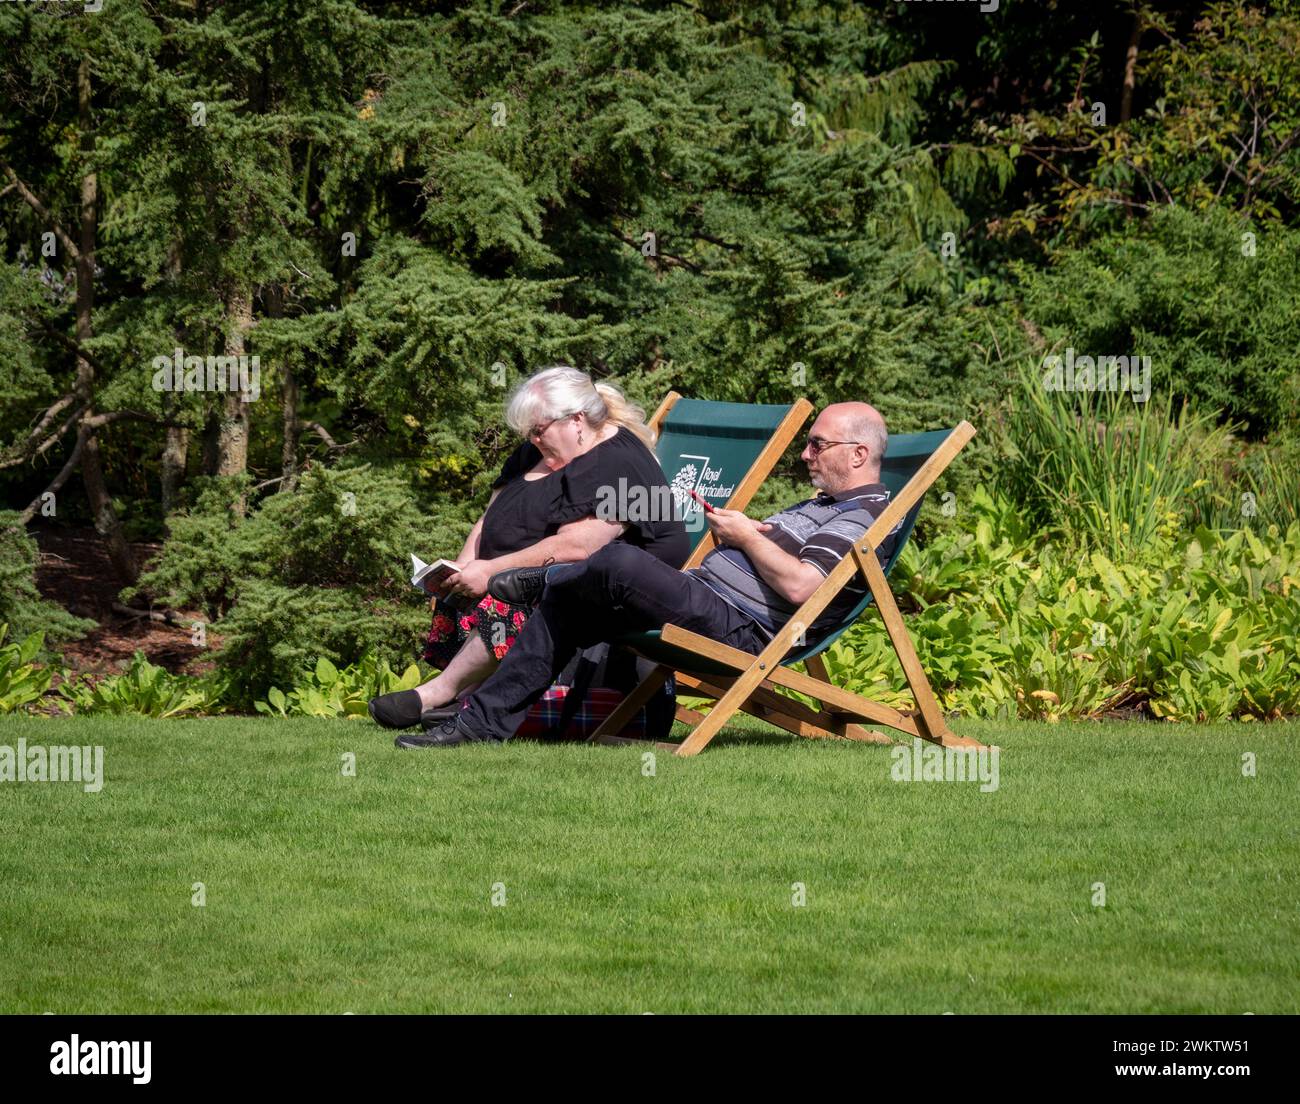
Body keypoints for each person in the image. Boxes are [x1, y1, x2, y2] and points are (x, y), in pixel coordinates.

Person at [396, 401, 902, 749]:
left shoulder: (865, 514)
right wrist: (748, 534)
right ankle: (478, 724)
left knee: (620, 559)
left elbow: (802, 587)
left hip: (743, 630)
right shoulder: (822, 505)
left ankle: (544, 579)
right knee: (571, 608)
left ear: (858, 454)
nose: (805, 454)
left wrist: (747, 537)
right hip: (705, 597)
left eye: (817, 445)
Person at [368, 366, 688, 730]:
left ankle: (437, 694)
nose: (534, 440)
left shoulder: (620, 463)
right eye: (529, 433)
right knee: (486, 585)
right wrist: (463, 566)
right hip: (568, 581)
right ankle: (468, 695)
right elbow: (491, 517)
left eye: (539, 431)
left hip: (628, 595)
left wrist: (490, 571)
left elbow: (578, 548)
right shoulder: (537, 452)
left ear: (577, 420)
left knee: (518, 589)